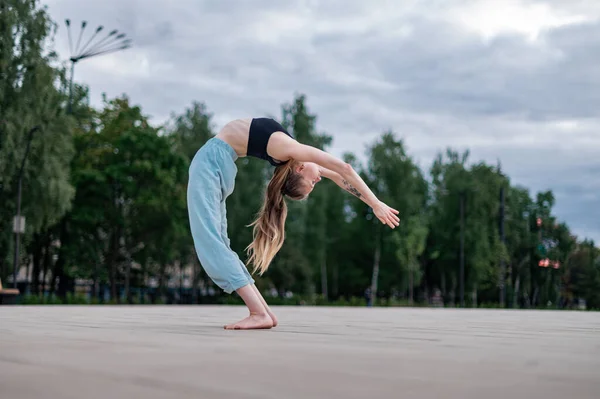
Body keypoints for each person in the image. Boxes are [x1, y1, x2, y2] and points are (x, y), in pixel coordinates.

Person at [187, 117, 400, 330]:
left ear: (298, 170)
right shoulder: (290, 152)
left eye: (312, 184)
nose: (317, 180)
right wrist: (375, 203)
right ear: (299, 169)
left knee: (211, 241)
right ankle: (264, 312)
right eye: (313, 183)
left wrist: (375, 204)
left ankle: (259, 312)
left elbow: (341, 172)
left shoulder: (289, 152)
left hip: (210, 163)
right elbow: (341, 172)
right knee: (217, 242)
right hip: (216, 165)